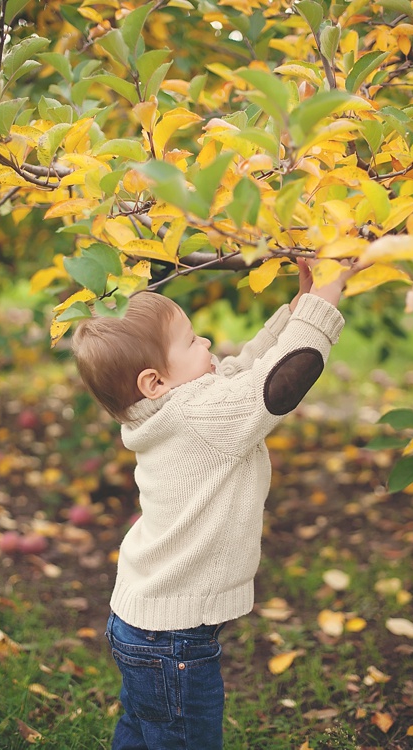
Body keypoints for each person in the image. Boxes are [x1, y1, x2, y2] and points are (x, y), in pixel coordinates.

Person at [70, 258, 357, 750]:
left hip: (145, 623)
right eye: (191, 341)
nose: (205, 343)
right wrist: (326, 300)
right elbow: (276, 384)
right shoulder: (200, 417)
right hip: (172, 640)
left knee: (142, 734)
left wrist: (298, 307)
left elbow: (244, 371)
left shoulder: (170, 409)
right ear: (153, 381)